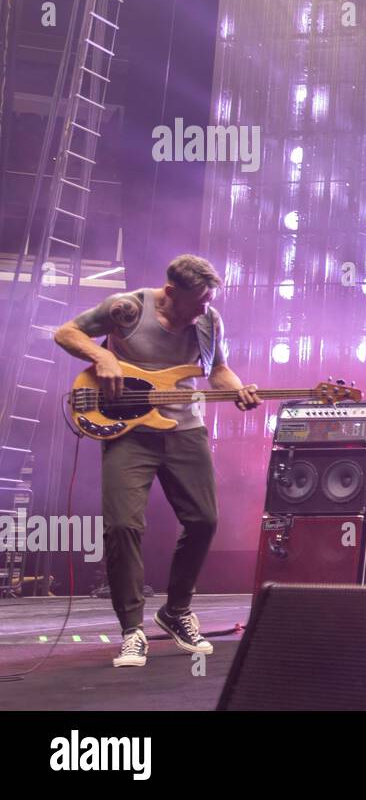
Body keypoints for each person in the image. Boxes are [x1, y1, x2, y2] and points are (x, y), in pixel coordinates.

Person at [53, 254, 261, 667]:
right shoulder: (126, 308)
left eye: (209, 300)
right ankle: (132, 630)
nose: (206, 307)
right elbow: (66, 332)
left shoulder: (208, 322)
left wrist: (237, 388)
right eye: (199, 300)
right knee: (123, 526)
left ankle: (176, 611)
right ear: (171, 292)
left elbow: (218, 370)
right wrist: (104, 357)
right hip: (127, 433)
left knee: (204, 520)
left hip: (184, 430)